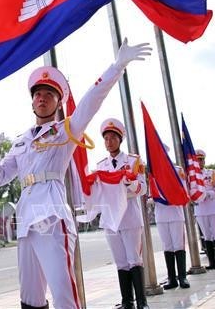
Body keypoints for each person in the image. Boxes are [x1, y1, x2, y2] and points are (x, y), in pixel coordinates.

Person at [0, 39, 151, 309]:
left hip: (51, 217)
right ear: (32, 101)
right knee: (30, 298)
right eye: (38, 94)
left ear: (58, 102)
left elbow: (91, 101)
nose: (42, 98)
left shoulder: (66, 130)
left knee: (64, 294)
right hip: (26, 220)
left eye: (49, 95)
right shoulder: (21, 141)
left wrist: (116, 67)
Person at [94, 118, 148, 309]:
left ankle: (142, 302)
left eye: (112, 138)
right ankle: (127, 302)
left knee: (134, 259)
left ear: (120, 139)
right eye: (106, 139)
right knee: (121, 262)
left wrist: (130, 184)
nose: (109, 142)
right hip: (110, 219)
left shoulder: (133, 161)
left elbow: (142, 188)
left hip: (129, 217)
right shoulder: (101, 166)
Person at [154, 164, 190, 289]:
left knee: (178, 245)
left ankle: (182, 277)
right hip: (161, 214)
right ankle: (172, 278)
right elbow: (151, 192)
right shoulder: (153, 171)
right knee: (167, 246)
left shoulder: (178, 170)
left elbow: (183, 191)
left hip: (175, 213)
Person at [193, 149, 215, 270]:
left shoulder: (211, 173)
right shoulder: (192, 175)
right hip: (200, 208)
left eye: (202, 159)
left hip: (213, 206)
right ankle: (212, 262)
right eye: (198, 159)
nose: (201, 162)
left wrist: (208, 194)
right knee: (206, 235)